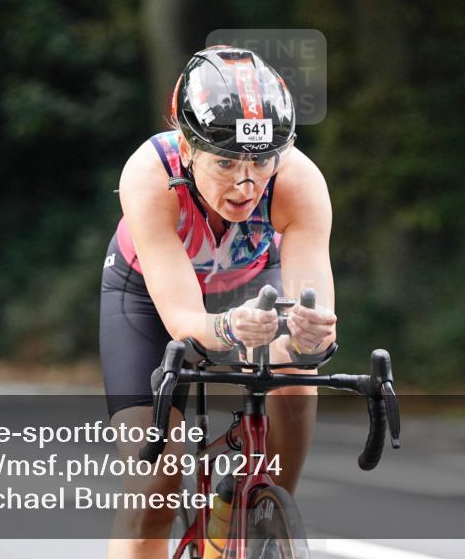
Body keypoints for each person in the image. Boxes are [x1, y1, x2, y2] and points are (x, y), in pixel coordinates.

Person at [99, 46, 337, 558]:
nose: (246, 182)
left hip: (253, 284)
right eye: (226, 161)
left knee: (296, 377)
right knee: (155, 488)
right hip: (149, 296)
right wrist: (226, 329)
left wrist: (313, 333)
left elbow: (313, 313)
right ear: (186, 148)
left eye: (260, 160)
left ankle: (265, 515)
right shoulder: (148, 175)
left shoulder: (298, 181)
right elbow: (184, 321)